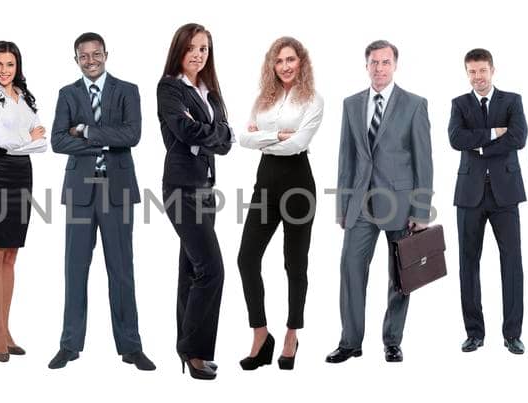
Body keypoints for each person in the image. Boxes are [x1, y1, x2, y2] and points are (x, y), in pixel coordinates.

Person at [47, 32, 155, 371]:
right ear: (76, 59)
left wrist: (88, 132)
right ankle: (69, 345)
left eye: (96, 54)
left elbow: (132, 135)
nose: (91, 60)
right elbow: (58, 140)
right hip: (80, 192)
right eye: (84, 56)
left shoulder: (127, 91)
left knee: (122, 270)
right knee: (74, 270)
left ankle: (131, 347)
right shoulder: (68, 94)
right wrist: (104, 141)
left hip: (118, 189)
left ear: (106, 54)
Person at [329, 39, 433, 365]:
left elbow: (424, 161)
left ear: (395, 65)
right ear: (366, 66)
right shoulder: (351, 104)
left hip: (400, 205)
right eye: (374, 62)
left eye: (385, 62)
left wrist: (421, 209)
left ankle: (392, 340)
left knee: (401, 276)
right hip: (360, 203)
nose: (379, 68)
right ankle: (350, 341)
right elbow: (345, 158)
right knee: (350, 269)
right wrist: (342, 205)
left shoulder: (414, 104)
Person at [232, 36, 322, 371]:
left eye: (290, 60)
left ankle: (291, 334)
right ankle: (260, 333)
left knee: (294, 265)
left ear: (301, 62)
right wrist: (278, 136)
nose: (285, 66)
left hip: (299, 186)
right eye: (279, 61)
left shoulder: (313, 99)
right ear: (272, 65)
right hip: (265, 186)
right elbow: (242, 138)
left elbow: (298, 145)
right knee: (246, 259)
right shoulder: (263, 99)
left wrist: (267, 138)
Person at [157, 23, 233, 380]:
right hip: (180, 188)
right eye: (192, 48)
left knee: (192, 269)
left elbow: (227, 140)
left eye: (204, 48)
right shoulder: (169, 88)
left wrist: (211, 135)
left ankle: (188, 349)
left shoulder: (210, 92)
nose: (198, 55)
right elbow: (183, 131)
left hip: (206, 187)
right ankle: (194, 351)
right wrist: (212, 134)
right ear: (179, 50)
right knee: (212, 269)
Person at [449, 48, 527, 355]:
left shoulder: (512, 101)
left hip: (505, 192)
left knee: (512, 263)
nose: (477, 77)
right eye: (472, 72)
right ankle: (474, 333)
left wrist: (479, 145)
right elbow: (456, 139)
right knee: (468, 264)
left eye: (482, 70)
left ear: (492, 70)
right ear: (466, 73)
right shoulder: (460, 104)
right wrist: (494, 133)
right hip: (469, 194)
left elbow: (518, 137)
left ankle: (512, 334)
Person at [0, 40, 48, 363]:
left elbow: (42, 141)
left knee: (11, 258)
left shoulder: (25, 97)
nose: (4, 71)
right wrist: (27, 140)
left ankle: (3, 327)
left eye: (10, 65)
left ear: (18, 67)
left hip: (22, 178)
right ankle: (0, 333)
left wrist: (28, 142)